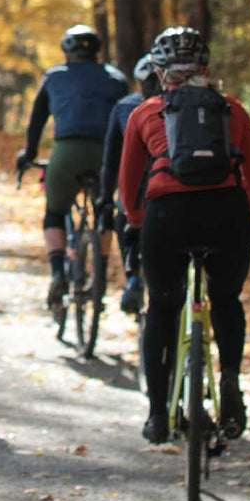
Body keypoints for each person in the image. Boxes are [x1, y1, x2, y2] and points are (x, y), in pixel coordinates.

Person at [119, 25, 250, 443]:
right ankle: (232, 389)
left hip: (167, 217)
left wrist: (135, 223)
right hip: (227, 215)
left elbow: (129, 182)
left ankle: (155, 415)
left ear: (160, 71)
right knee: (225, 300)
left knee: (163, 308)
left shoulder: (145, 112)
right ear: (206, 67)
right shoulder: (232, 109)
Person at [15, 23, 127, 311]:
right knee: (103, 210)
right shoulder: (116, 78)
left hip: (67, 151)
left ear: (66, 52)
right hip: (107, 154)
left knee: (54, 212)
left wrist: (28, 153)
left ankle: (58, 273)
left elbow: (37, 119)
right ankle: (99, 276)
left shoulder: (54, 76)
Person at [99, 53, 158, 314]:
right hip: (179, 188)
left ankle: (132, 273)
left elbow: (112, 160)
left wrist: (104, 197)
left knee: (125, 213)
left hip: (139, 188)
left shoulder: (126, 107)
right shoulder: (182, 106)